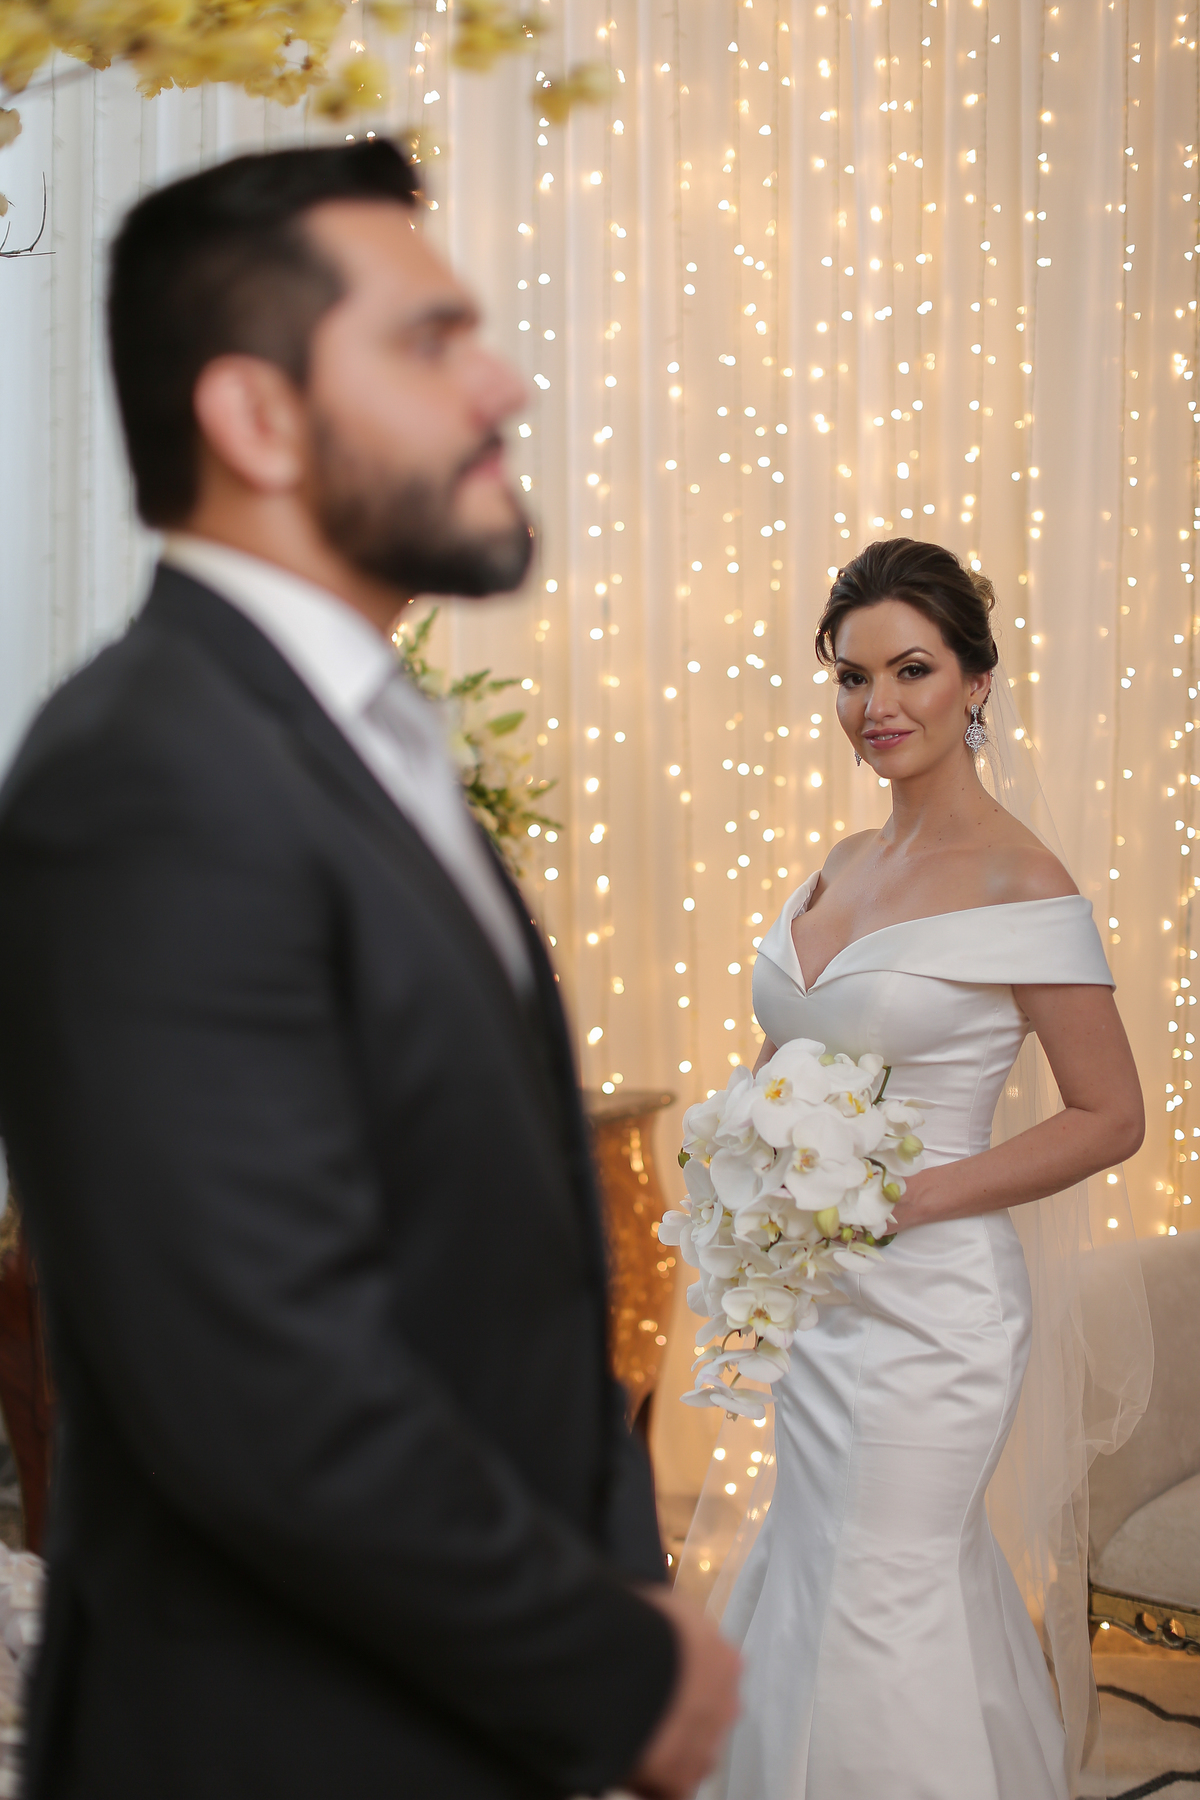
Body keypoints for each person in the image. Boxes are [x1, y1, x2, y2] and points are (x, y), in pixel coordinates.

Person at [0, 142, 739, 1800]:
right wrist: (615, 1667)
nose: (504, 383)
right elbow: (255, 1383)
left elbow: (515, 1267)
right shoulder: (147, 773)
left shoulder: (359, 745)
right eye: (429, 340)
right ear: (257, 419)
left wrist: (622, 1571)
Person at [695, 538, 1146, 1800]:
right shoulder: (841, 862)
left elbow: (1112, 1115)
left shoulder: (1021, 879)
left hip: (934, 1311)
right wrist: (751, 1172)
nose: (876, 705)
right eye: (852, 678)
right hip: (821, 1299)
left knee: (880, 1585)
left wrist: (907, 1200)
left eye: (911, 670)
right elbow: (785, 1061)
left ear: (976, 682)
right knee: (828, 1562)